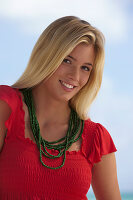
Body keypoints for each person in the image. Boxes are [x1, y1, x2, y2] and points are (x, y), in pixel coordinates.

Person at [0, 16, 121, 200]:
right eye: (67, 60)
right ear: (47, 56)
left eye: (86, 68)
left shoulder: (95, 138)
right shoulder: (6, 106)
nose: (75, 76)